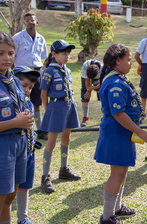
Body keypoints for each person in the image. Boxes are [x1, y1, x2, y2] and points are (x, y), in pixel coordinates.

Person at [94, 43, 147, 224]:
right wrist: (139, 131)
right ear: (117, 61)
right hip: (117, 132)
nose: (131, 63)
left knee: (122, 171)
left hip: (123, 133)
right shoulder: (115, 83)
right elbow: (118, 113)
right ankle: (107, 216)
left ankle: (116, 208)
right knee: (116, 174)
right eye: (128, 60)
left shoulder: (118, 78)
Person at [0, 31, 34, 224]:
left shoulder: (14, 81)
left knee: (10, 196)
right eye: (1, 53)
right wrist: (15, 122)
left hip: (20, 145)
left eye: (11, 53)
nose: (7, 58)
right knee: (1, 197)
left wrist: (25, 118)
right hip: (3, 145)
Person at [40, 39, 81, 194]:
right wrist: (48, 110)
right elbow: (43, 93)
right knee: (51, 143)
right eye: (63, 52)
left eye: (68, 52)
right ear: (54, 54)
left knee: (66, 137)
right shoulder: (49, 71)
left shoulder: (67, 70)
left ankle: (64, 169)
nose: (66, 55)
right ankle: (45, 176)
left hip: (69, 105)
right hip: (56, 107)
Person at [13, 12, 48, 140]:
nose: (30, 23)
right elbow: (12, 57)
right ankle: (22, 127)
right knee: (21, 100)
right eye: (27, 21)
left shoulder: (41, 39)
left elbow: (43, 56)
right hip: (22, 72)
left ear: (36, 22)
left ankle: (40, 130)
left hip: (37, 72)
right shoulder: (17, 38)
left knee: (37, 102)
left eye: (32, 20)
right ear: (24, 23)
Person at [13, 66, 41, 224]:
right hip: (15, 153)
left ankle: (23, 218)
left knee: (25, 186)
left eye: (30, 87)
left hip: (29, 153)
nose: (28, 90)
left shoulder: (29, 104)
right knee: (10, 188)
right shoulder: (10, 105)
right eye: (24, 86)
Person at [80, 59, 102, 127]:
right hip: (87, 76)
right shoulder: (85, 66)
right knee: (85, 95)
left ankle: (105, 116)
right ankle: (85, 117)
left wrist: (93, 88)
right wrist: (88, 91)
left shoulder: (103, 68)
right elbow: (87, 80)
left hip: (100, 81)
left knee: (102, 95)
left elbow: (103, 83)